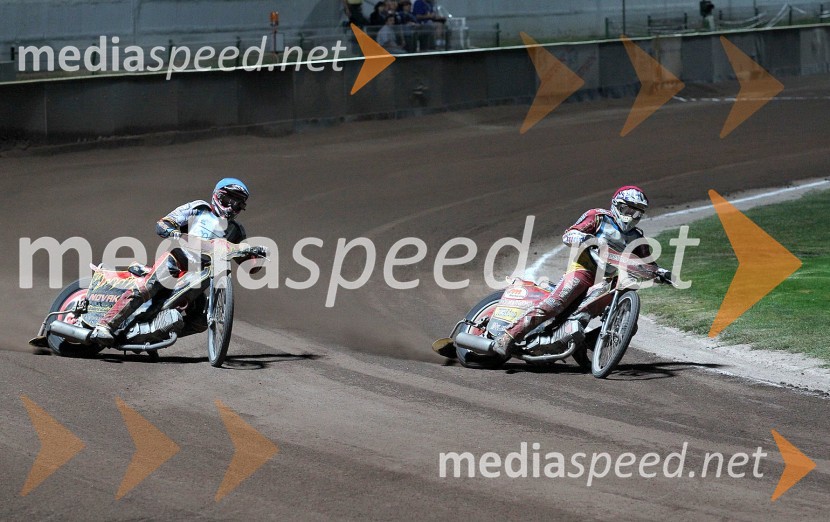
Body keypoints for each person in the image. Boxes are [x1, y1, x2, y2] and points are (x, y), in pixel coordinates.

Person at [493, 186, 673, 357]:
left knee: (627, 323)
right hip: (584, 271)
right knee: (555, 304)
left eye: (637, 213)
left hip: (608, 281)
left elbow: (648, 264)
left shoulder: (638, 238)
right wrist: (585, 237)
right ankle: (507, 337)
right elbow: (569, 234)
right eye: (627, 210)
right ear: (617, 206)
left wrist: (661, 273)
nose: (631, 216)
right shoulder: (598, 217)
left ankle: (585, 346)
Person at [91, 178, 262, 345]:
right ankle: (104, 325)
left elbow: (249, 267)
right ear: (217, 196)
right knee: (146, 287)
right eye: (228, 199)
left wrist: (259, 256)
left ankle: (154, 334)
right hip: (176, 261)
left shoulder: (236, 231)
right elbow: (163, 224)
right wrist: (173, 232)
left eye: (237, 203)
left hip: (199, 276)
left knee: (201, 321)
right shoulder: (198, 209)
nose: (231, 206)